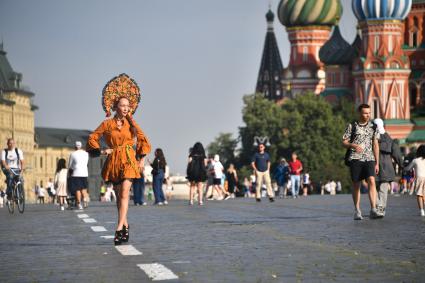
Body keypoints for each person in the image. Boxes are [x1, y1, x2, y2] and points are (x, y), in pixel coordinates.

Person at [86, 74, 151, 246]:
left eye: (128, 106)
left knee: (124, 193)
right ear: (115, 106)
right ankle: (125, 224)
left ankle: (118, 227)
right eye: (122, 105)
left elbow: (143, 139)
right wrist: (100, 150)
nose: (125, 108)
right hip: (114, 160)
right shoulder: (107, 124)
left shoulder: (132, 123)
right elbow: (92, 137)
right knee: (118, 196)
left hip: (129, 158)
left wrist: (142, 158)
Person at [342, 103, 380, 220]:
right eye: (365, 113)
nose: (367, 115)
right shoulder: (352, 126)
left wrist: (377, 162)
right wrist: (352, 145)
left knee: (372, 181)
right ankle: (357, 210)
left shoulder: (374, 127)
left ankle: (373, 208)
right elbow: (344, 142)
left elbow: (375, 145)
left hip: (369, 158)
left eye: (369, 113)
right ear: (359, 113)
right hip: (355, 158)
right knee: (356, 184)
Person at [373, 118, 403, 218]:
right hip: (387, 166)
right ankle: (381, 208)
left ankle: (378, 207)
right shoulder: (388, 138)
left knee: (372, 188)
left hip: (373, 166)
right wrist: (402, 165)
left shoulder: (371, 137)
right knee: (383, 189)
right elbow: (397, 154)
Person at [404, 145, 425, 217]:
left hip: (419, 178)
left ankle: (422, 211)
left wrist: (403, 167)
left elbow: (408, 168)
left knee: (419, 195)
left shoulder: (415, 160)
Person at [68, 141, 89, 210]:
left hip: (76, 173)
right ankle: (85, 200)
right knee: (83, 188)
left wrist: (70, 172)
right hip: (84, 173)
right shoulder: (86, 153)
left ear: (75, 147)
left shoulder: (73, 154)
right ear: (81, 146)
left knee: (77, 189)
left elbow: (70, 165)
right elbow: (86, 163)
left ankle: (79, 204)